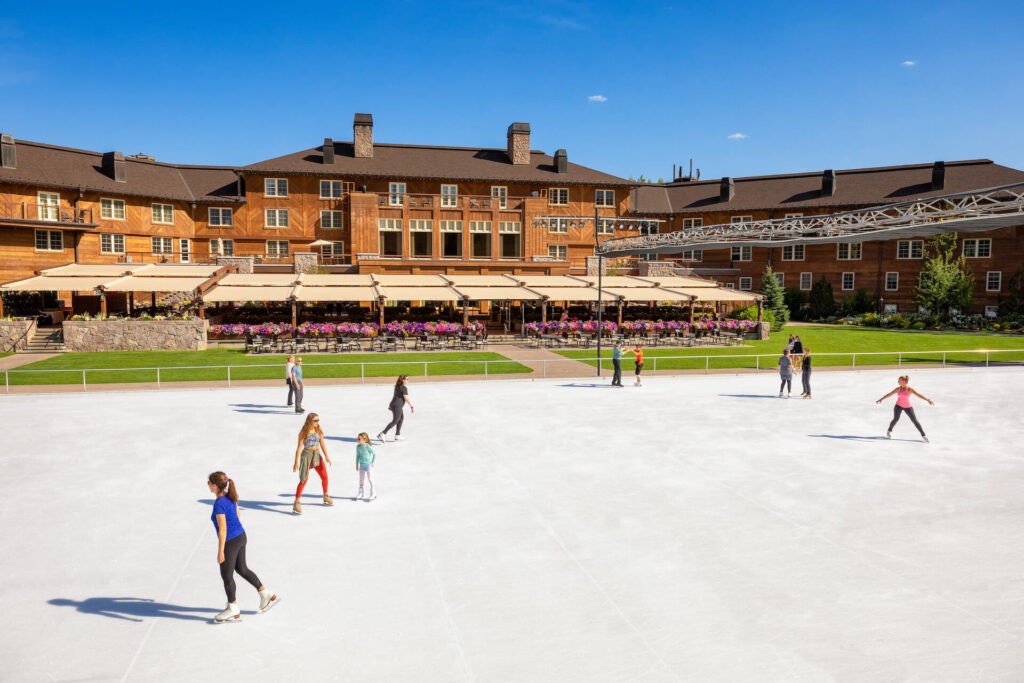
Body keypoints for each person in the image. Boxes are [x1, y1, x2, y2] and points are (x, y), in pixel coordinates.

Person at [207, 471, 278, 623]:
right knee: (242, 569)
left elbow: (223, 529)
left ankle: (233, 609)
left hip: (230, 541)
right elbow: (238, 515)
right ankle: (266, 593)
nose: (208, 485)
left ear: (214, 485)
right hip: (241, 536)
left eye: (209, 483)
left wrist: (220, 552)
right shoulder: (230, 496)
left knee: (227, 576)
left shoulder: (219, 503)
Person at [292, 412, 332, 514]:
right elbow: (299, 448)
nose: (317, 422)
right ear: (309, 421)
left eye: (318, 420)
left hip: (317, 455)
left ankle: (326, 495)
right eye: (315, 420)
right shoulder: (303, 432)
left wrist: (327, 456)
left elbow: (322, 444)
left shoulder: (318, 430)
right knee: (304, 479)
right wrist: (296, 462)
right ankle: (296, 502)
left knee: (324, 476)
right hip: (307, 455)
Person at [876, 375, 934, 442]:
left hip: (908, 407)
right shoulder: (898, 389)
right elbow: (889, 394)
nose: (898, 381)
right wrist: (881, 399)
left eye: (899, 380)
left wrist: (928, 400)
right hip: (898, 406)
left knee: (915, 421)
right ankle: (889, 431)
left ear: (904, 381)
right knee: (895, 419)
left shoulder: (910, 389)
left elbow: (919, 395)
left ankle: (924, 436)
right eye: (898, 380)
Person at [377, 374, 414, 443]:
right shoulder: (404, 388)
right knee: (395, 421)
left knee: (401, 419)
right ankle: (382, 433)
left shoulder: (397, 386)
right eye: (407, 379)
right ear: (403, 380)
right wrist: (411, 405)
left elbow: (395, 396)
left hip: (395, 405)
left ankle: (397, 435)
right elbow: (406, 398)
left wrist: (390, 404)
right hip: (397, 406)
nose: (408, 380)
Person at [355, 432, 378, 501]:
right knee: (361, 480)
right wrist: (356, 464)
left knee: (370, 479)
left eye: (359, 439)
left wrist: (372, 462)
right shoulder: (358, 447)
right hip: (362, 465)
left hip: (368, 465)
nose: (358, 440)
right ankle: (360, 493)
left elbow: (374, 454)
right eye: (357, 438)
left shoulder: (368, 446)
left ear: (364, 440)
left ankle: (373, 493)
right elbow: (357, 456)